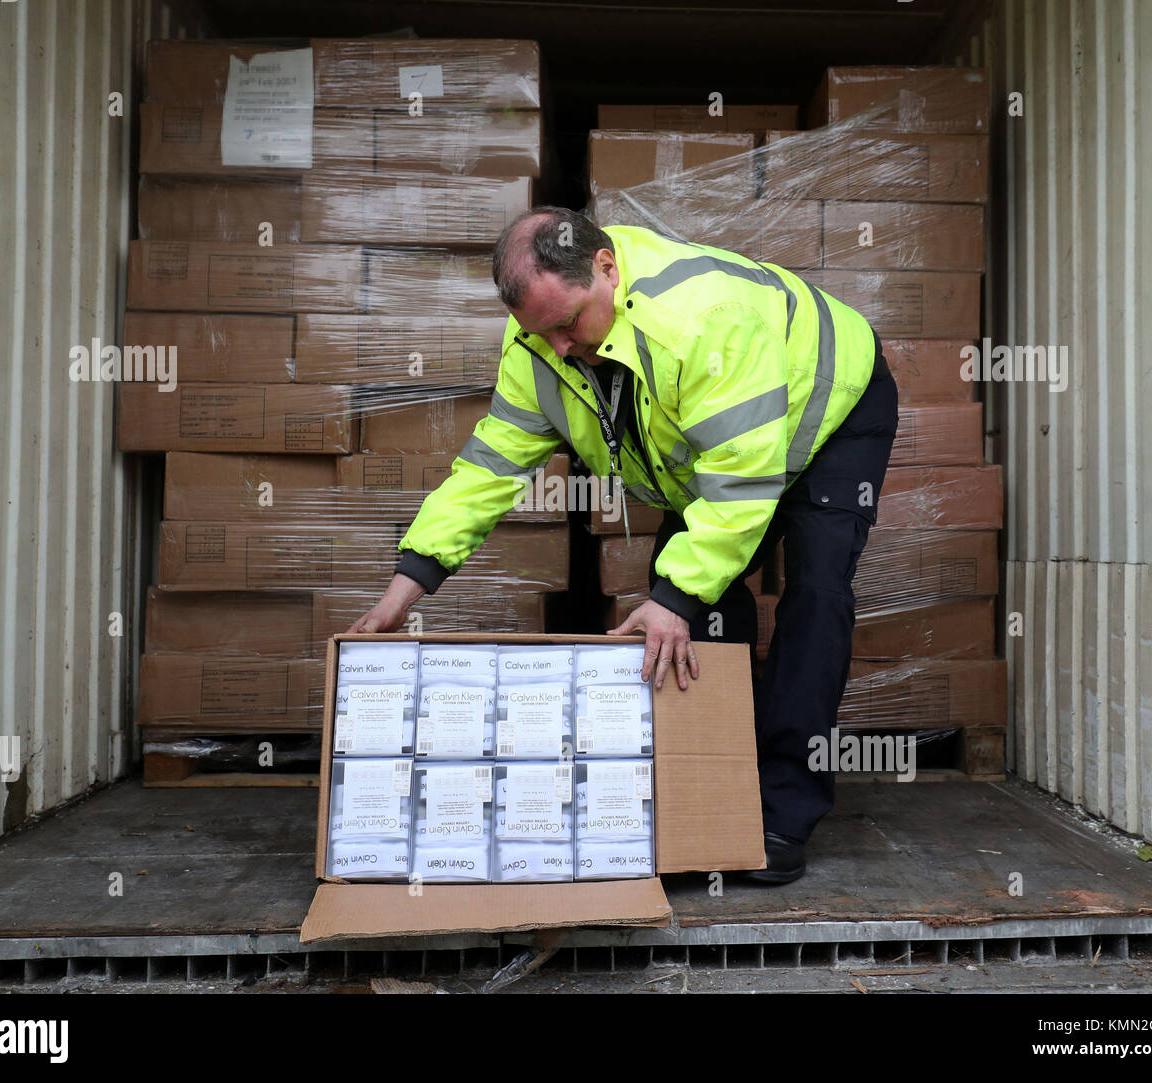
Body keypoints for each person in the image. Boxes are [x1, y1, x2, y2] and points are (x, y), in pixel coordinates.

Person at [351, 206, 899, 884]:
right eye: (537, 331)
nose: (555, 347)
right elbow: (490, 470)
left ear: (607, 268)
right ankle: (713, 793)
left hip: (832, 406)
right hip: (731, 450)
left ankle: (784, 814)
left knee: (813, 594)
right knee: (693, 611)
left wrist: (675, 596)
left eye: (566, 325)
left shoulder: (699, 319)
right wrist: (405, 590)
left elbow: (741, 481)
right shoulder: (538, 345)